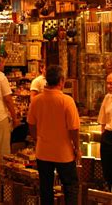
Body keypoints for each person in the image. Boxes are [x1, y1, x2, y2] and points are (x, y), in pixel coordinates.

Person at [27, 65, 80, 205]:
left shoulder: (36, 100)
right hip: (64, 153)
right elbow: (74, 129)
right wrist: (77, 148)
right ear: (61, 81)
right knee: (70, 187)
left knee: (45, 187)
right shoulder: (67, 101)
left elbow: (31, 125)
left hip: (43, 152)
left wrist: (37, 138)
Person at [98, 72, 112, 191]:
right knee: (107, 168)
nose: (109, 86)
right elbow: (102, 119)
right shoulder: (107, 97)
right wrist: (103, 135)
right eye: (107, 83)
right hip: (108, 136)